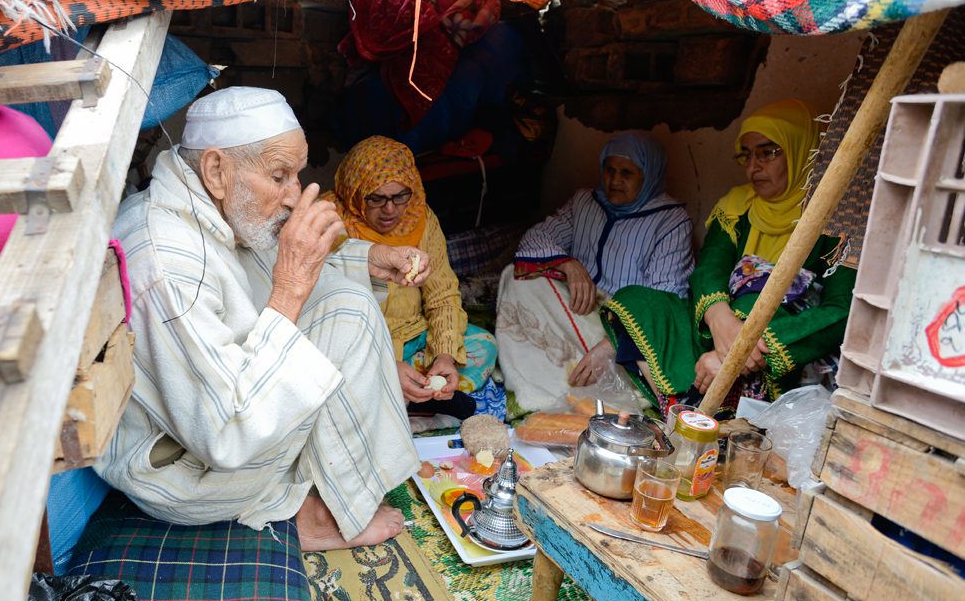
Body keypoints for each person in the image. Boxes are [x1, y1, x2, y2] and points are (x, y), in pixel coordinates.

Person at [96, 87, 429, 551]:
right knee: (348, 320)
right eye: (280, 176)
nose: (296, 196)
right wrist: (292, 289)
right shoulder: (168, 265)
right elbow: (225, 434)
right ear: (216, 170)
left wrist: (369, 256)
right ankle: (317, 513)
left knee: (343, 298)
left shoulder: (207, 206)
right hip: (186, 476)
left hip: (208, 433)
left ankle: (334, 489)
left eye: (297, 174)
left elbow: (266, 260)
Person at [596, 99, 855, 412]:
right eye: (746, 155)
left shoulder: (839, 222)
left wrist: (743, 349)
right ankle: (677, 408)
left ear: (803, 149)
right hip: (718, 328)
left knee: (756, 294)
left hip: (781, 345)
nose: (753, 167)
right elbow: (709, 270)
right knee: (638, 302)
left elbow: (842, 311)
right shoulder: (736, 206)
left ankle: (716, 406)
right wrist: (720, 318)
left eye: (767, 152)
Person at [495, 131, 694, 411]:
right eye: (609, 169)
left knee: (640, 339)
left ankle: (582, 381)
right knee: (514, 277)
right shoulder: (585, 202)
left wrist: (612, 343)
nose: (614, 180)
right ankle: (542, 379)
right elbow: (534, 239)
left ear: (649, 175)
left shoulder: (671, 221)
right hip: (579, 308)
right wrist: (569, 264)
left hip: (626, 329)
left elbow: (664, 299)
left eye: (628, 172)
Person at [323, 136, 497, 419]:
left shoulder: (421, 218)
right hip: (358, 345)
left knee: (484, 344)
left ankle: (417, 395)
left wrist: (443, 356)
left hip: (413, 335)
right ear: (353, 193)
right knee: (328, 375)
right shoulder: (327, 223)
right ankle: (407, 395)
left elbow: (442, 293)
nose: (390, 209)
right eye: (376, 198)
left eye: (400, 195)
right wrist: (386, 364)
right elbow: (323, 317)